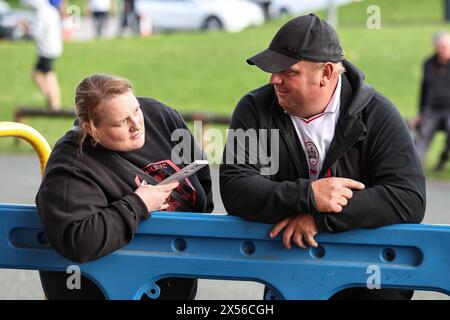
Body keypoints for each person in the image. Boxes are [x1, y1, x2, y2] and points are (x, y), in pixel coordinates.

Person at [219, 14, 426, 300]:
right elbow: (235, 188)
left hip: (370, 280)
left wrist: (320, 220)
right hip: (291, 273)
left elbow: (408, 198)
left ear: (326, 73)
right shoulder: (256, 108)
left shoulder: (377, 113)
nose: (273, 79)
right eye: (272, 69)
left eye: (289, 72)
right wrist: (309, 195)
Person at [35, 74, 213, 299]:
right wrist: (139, 204)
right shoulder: (71, 165)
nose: (137, 125)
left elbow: (201, 175)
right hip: (110, 287)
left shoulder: (159, 116)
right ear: (91, 129)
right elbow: (79, 239)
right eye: (121, 122)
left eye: (136, 110)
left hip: (176, 276)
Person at [413, 32, 450, 172]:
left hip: (449, 111)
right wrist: (421, 113)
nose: (446, 49)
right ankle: (416, 169)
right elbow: (425, 89)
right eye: (442, 46)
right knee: (422, 134)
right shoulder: (429, 64)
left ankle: (444, 158)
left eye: (448, 46)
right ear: (436, 47)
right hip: (431, 111)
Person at [23, 0, 63, 111]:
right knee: (37, 74)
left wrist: (26, 28)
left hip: (46, 50)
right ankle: (51, 100)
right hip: (53, 48)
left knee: (48, 75)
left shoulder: (42, 12)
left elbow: (37, 33)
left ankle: (54, 104)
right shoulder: (51, 10)